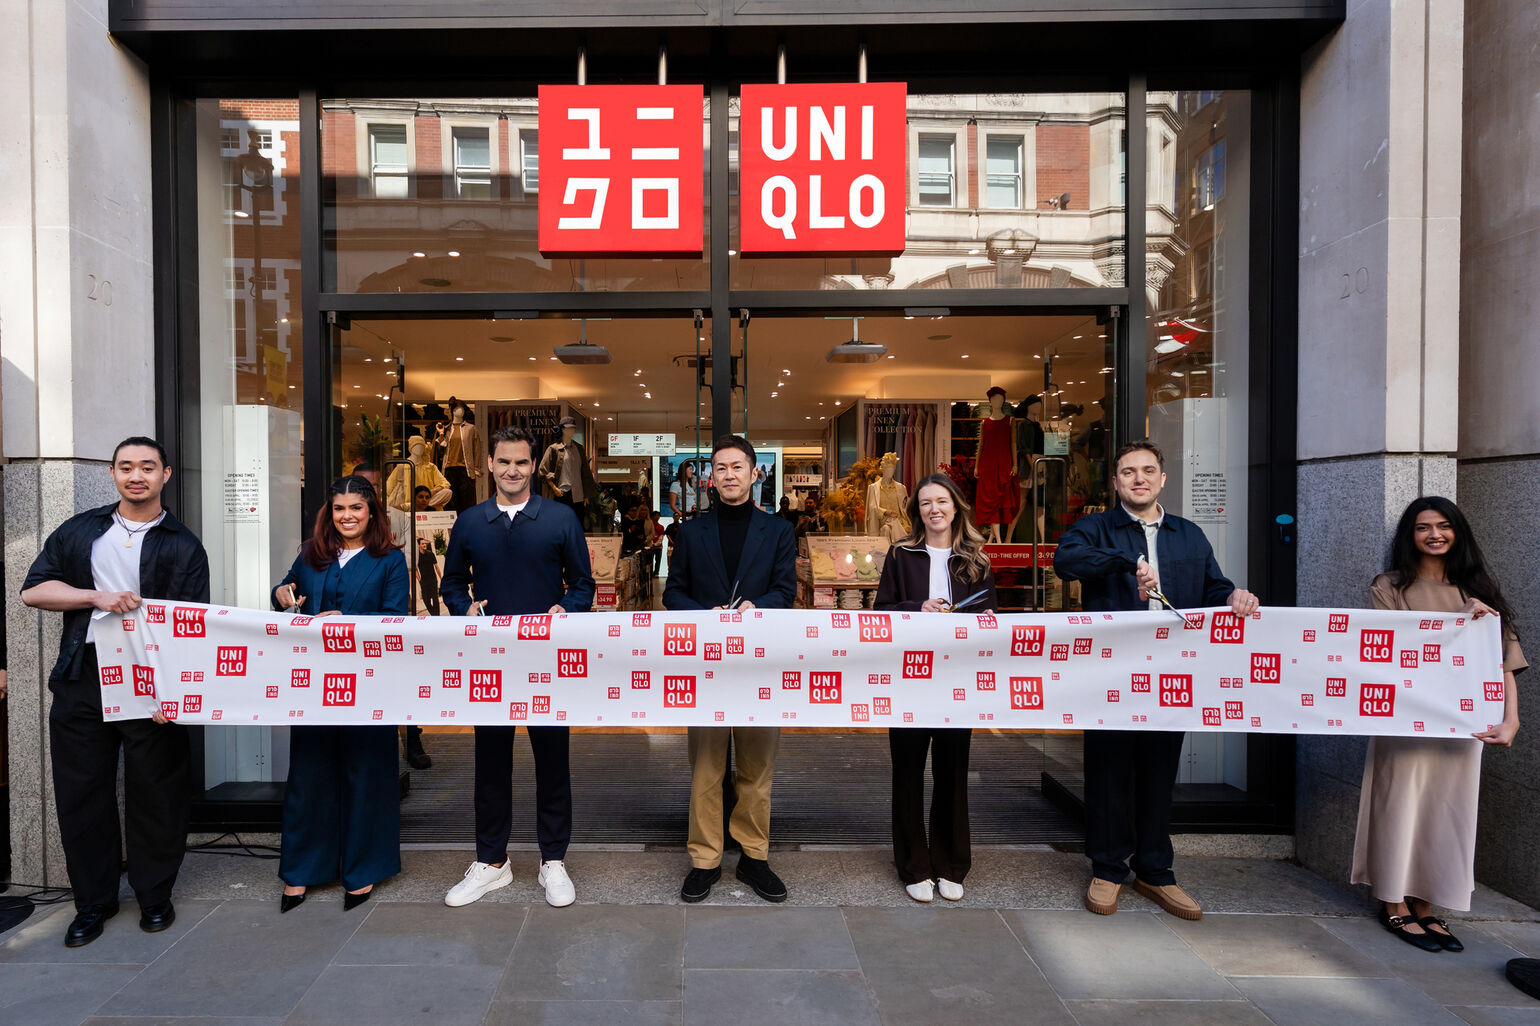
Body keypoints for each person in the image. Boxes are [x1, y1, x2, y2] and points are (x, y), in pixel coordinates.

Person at [1054, 440, 1258, 921]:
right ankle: (1107, 869)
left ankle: (1155, 871)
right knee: (1108, 770)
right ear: (1117, 481)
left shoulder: (1190, 535)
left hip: (1171, 671)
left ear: (1163, 479)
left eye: (1147, 471)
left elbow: (1214, 588)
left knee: (1159, 772)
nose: (1138, 478)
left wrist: (1235, 597)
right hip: (1111, 670)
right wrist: (1126, 563)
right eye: (1128, 472)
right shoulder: (1096, 528)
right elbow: (1067, 561)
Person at [20, 437, 210, 947]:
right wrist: (93, 596)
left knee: (157, 791)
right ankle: (93, 903)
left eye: (147, 467)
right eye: (126, 467)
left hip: (151, 682)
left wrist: (175, 694)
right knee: (83, 793)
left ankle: (154, 896)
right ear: (112, 473)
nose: (136, 475)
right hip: (83, 676)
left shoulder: (183, 544)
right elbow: (33, 589)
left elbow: (192, 625)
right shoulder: (82, 531)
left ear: (166, 474)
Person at [1352, 496, 1524, 952]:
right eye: (1422, 527)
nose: (1434, 534)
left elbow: (1502, 662)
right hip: (1405, 720)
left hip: (1465, 724)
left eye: (1443, 526)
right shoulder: (1388, 586)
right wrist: (1454, 628)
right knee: (1399, 804)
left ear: (1457, 532)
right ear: (1409, 536)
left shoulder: (1478, 588)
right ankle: (1393, 903)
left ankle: (1427, 904)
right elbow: (1385, 649)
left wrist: (1511, 719)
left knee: (1448, 812)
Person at [440, 424, 594, 909]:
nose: (512, 471)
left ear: (534, 467)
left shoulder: (560, 518)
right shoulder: (469, 522)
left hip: (547, 660)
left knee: (553, 763)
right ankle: (492, 861)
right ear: (489, 464)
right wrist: (463, 608)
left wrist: (567, 608)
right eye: (504, 462)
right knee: (490, 764)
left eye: (521, 463)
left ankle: (553, 860)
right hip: (490, 663)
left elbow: (584, 585)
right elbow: (451, 584)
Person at [664, 435, 797, 903]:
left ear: (754, 473)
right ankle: (705, 860)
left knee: (757, 768)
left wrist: (753, 609)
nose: (729, 475)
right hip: (707, 667)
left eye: (737, 467)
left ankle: (754, 858)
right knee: (705, 767)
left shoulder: (779, 531)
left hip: (761, 664)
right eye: (720, 468)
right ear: (710, 478)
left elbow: (785, 592)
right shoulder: (692, 532)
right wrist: (709, 615)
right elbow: (672, 594)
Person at [271, 475, 409, 913]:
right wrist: (281, 595)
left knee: (366, 775)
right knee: (310, 775)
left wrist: (344, 625)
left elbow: (395, 622)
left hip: (370, 683)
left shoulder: (390, 560)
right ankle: (302, 870)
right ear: (329, 513)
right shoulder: (311, 555)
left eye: (356, 508)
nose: (347, 516)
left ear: (372, 513)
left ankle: (363, 868)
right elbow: (285, 596)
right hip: (314, 684)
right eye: (339, 508)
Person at [874, 473, 998, 903]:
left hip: (957, 681)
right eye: (925, 503)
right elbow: (881, 611)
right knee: (907, 773)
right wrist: (917, 607)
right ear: (917, 512)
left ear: (956, 506)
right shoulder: (901, 555)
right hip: (909, 679)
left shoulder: (977, 560)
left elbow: (990, 619)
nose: (934, 509)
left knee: (952, 772)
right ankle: (914, 865)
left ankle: (950, 864)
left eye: (941, 501)